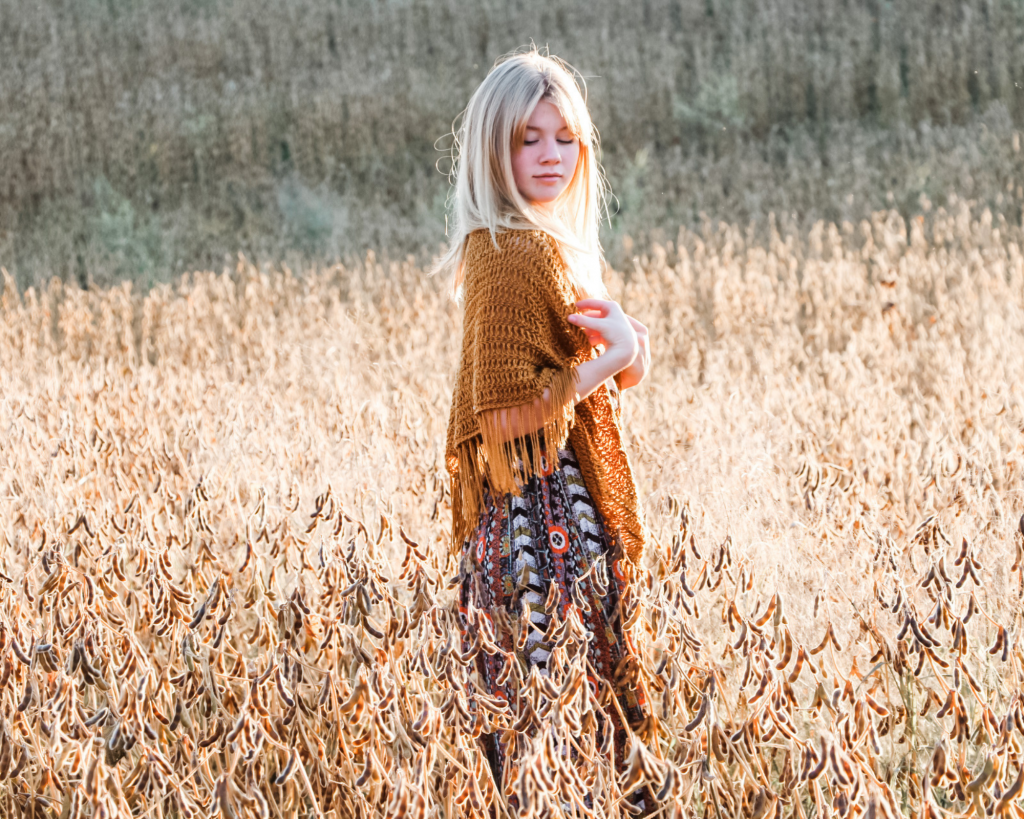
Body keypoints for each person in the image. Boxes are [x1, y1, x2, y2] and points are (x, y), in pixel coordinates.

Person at [436, 48, 654, 815]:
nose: (551, 155)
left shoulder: (539, 244)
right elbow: (506, 418)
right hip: (538, 536)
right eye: (529, 137)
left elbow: (582, 373)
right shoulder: (510, 253)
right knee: (565, 742)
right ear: (493, 147)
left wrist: (629, 351)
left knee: (557, 741)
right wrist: (613, 360)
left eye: (565, 137)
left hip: (544, 529)